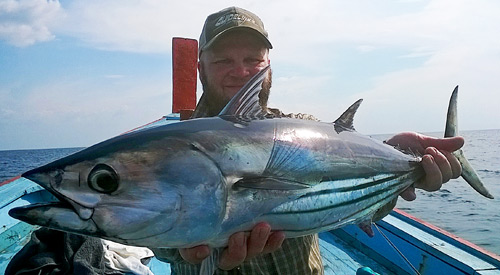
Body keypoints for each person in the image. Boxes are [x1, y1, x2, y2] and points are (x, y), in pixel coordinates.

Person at [154, 6, 464, 275]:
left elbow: (348, 195)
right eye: (223, 61)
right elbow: (139, 218)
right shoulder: (167, 149)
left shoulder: (307, 130)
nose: (241, 71)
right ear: (200, 69)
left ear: (268, 67)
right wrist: (174, 246)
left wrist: (401, 159)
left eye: (253, 59)